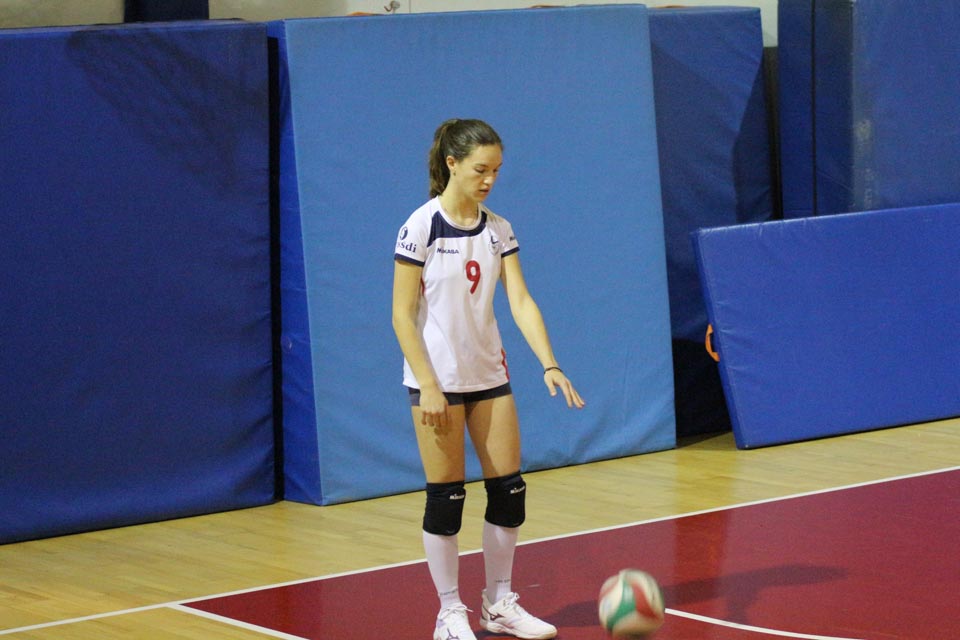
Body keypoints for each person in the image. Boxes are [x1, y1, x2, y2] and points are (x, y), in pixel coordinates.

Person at [392, 118, 585, 640]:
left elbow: (519, 300)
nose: (490, 180)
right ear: (451, 164)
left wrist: (549, 362)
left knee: (509, 490)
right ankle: (448, 612)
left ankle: (498, 604)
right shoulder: (421, 227)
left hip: (488, 375)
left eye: (497, 170)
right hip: (436, 380)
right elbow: (401, 314)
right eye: (481, 169)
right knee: (446, 497)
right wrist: (429, 385)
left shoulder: (498, 228)